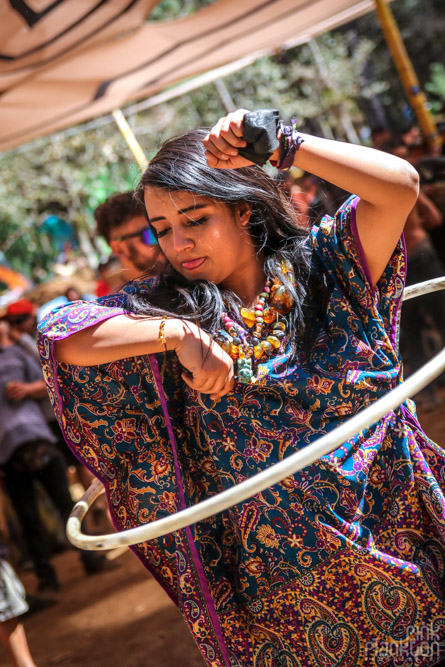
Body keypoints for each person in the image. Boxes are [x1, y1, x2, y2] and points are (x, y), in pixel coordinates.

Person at [38, 108, 445, 666]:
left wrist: (284, 146)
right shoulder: (164, 309)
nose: (179, 243)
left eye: (195, 219)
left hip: (405, 546)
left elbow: (399, 188)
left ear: (243, 208)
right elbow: (62, 336)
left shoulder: (330, 269)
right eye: (163, 229)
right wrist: (175, 332)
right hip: (294, 606)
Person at [0, 321, 112, 598]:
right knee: (29, 517)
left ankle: (89, 558)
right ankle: (46, 578)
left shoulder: (16, 353)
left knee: (64, 501)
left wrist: (26, 390)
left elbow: (48, 379)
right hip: (5, 452)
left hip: (37, 436)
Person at [94, 191, 165, 283]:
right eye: (151, 234)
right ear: (119, 249)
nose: (162, 240)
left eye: (163, 230)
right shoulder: (120, 297)